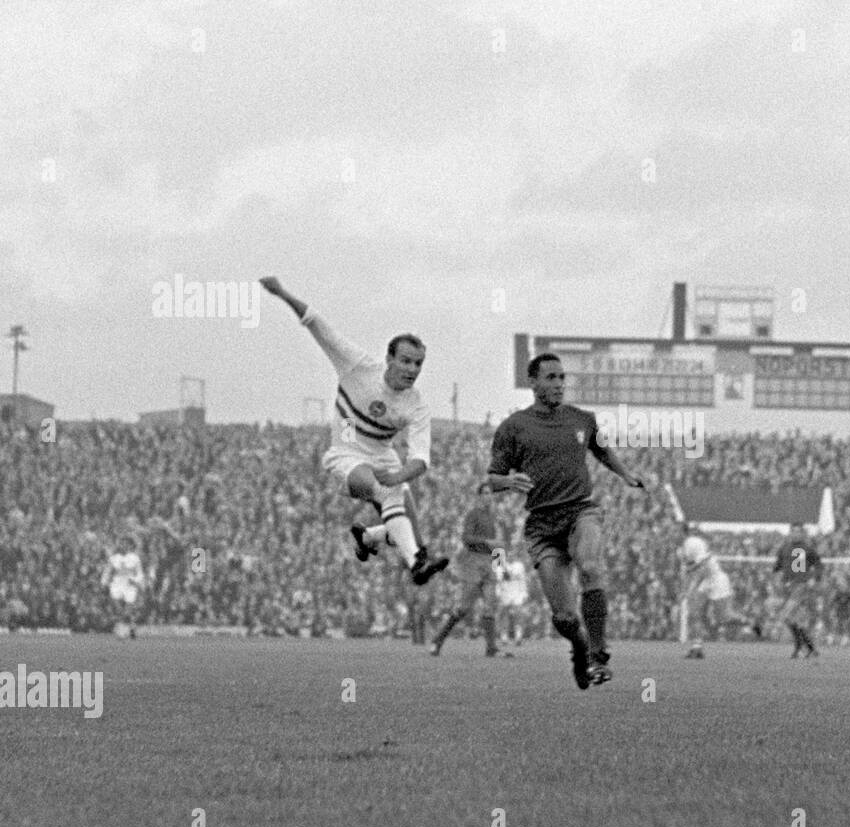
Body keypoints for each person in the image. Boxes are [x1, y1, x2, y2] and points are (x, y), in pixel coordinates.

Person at [259, 276, 448, 585]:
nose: (412, 370)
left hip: (384, 459)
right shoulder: (358, 367)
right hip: (346, 451)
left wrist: (398, 476)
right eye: (406, 361)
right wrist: (281, 293)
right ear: (389, 358)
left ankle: (370, 538)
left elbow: (421, 459)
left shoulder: (415, 405)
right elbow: (317, 325)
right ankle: (416, 564)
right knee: (389, 498)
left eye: (418, 364)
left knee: (408, 526)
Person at [486, 352, 645, 689]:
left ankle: (599, 655)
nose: (558, 384)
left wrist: (627, 475)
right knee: (565, 617)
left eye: (561, 377)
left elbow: (602, 451)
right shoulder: (514, 427)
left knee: (590, 567)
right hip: (542, 526)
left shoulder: (582, 420)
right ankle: (579, 647)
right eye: (551, 378)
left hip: (580, 511)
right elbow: (493, 478)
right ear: (533, 382)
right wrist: (509, 481)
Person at [429, 482, 507, 657]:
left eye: (490, 493)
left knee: (490, 606)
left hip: (489, 564)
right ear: (480, 496)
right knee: (463, 608)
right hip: (473, 563)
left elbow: (500, 544)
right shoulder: (473, 515)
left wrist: (500, 568)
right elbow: (466, 538)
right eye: (485, 493)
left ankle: (491, 648)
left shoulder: (495, 517)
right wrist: (487, 543)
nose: (489, 496)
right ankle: (437, 640)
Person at [677, 529, 745, 659]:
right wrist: (684, 589)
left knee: (724, 617)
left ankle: (749, 623)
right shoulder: (680, 551)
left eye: (676, 531)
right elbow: (687, 573)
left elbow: (702, 568)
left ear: (683, 532)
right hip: (705, 581)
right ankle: (697, 648)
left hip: (716, 579)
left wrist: (690, 590)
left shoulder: (694, 543)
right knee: (693, 612)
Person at [772, 523, 822, 659]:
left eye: (798, 532)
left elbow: (818, 565)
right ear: (790, 533)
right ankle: (810, 649)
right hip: (787, 587)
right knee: (794, 620)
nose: (795, 534)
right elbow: (777, 566)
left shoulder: (808, 549)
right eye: (793, 532)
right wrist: (775, 576)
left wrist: (814, 578)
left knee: (786, 613)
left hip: (801, 586)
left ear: (802, 534)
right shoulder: (784, 548)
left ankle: (799, 648)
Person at [101, 534, 146, 639]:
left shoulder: (135, 558)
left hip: (130, 585)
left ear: (130, 546)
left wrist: (135, 581)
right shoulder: (114, 558)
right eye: (122, 543)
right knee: (118, 607)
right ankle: (127, 628)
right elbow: (107, 571)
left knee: (128, 609)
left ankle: (128, 629)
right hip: (117, 584)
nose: (124, 545)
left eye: (126, 544)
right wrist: (103, 583)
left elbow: (140, 573)